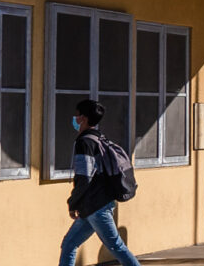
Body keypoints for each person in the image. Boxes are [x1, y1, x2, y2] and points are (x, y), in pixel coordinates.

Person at [61, 99, 143, 266]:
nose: (74, 119)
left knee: (116, 246)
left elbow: (84, 177)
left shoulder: (85, 143)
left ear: (83, 118)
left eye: (77, 115)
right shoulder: (99, 138)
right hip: (93, 206)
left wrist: (72, 202)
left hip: (96, 206)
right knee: (69, 244)